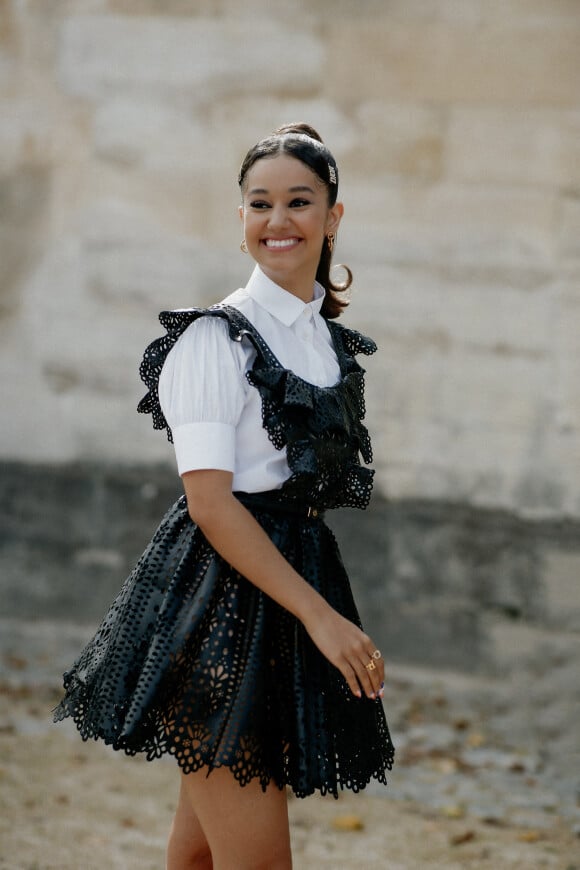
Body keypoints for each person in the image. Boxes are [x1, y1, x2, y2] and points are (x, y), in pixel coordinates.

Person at [54, 122, 395, 869]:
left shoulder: (325, 343)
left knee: (200, 858)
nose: (278, 221)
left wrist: (310, 611)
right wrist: (322, 618)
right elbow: (211, 504)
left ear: (334, 216)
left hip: (282, 600)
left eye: (299, 201)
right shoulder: (216, 341)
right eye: (259, 203)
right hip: (215, 609)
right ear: (240, 216)